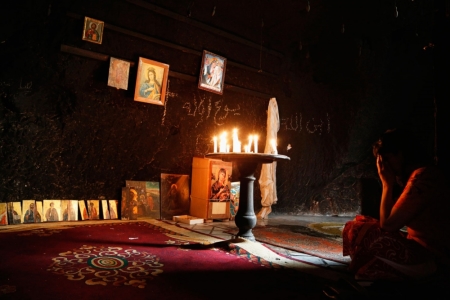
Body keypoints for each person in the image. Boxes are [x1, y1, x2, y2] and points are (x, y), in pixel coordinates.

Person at [343, 129, 450, 281]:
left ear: (400, 154)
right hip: (419, 249)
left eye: (387, 159)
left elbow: (388, 224)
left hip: (433, 257)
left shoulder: (424, 176)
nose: (384, 166)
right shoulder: (415, 175)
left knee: (365, 234)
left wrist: (387, 184)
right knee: (357, 225)